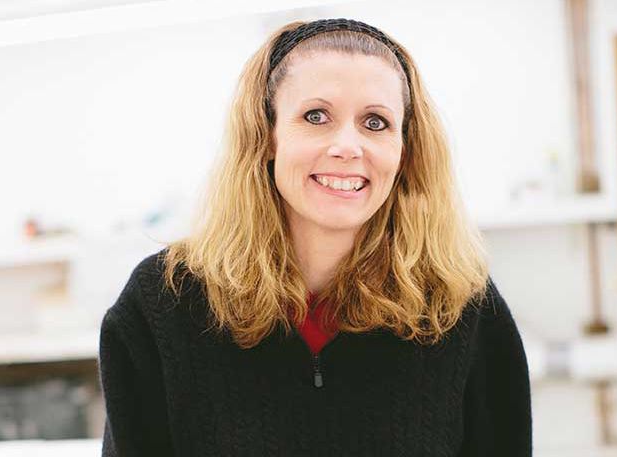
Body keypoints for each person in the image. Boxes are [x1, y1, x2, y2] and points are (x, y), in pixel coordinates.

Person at [98, 18, 532, 457]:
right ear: (268, 136)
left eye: (375, 123)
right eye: (316, 116)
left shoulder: (462, 306)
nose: (348, 145)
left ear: (405, 150)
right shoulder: (162, 302)